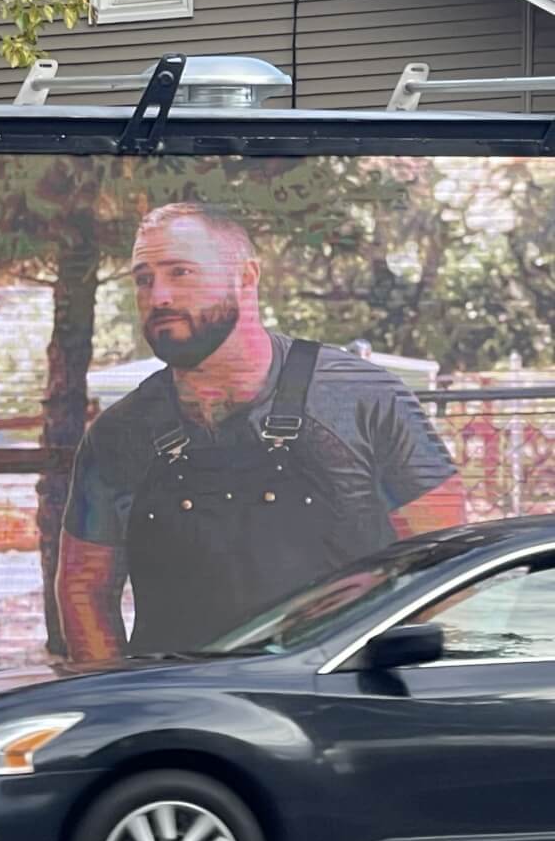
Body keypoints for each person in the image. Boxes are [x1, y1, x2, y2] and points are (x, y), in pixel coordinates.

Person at [55, 203, 466, 661]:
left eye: (181, 272)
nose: (159, 297)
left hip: (345, 702)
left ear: (246, 278)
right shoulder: (118, 434)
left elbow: (446, 565)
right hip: (182, 714)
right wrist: (119, 701)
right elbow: (83, 588)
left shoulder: (365, 398)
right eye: (144, 278)